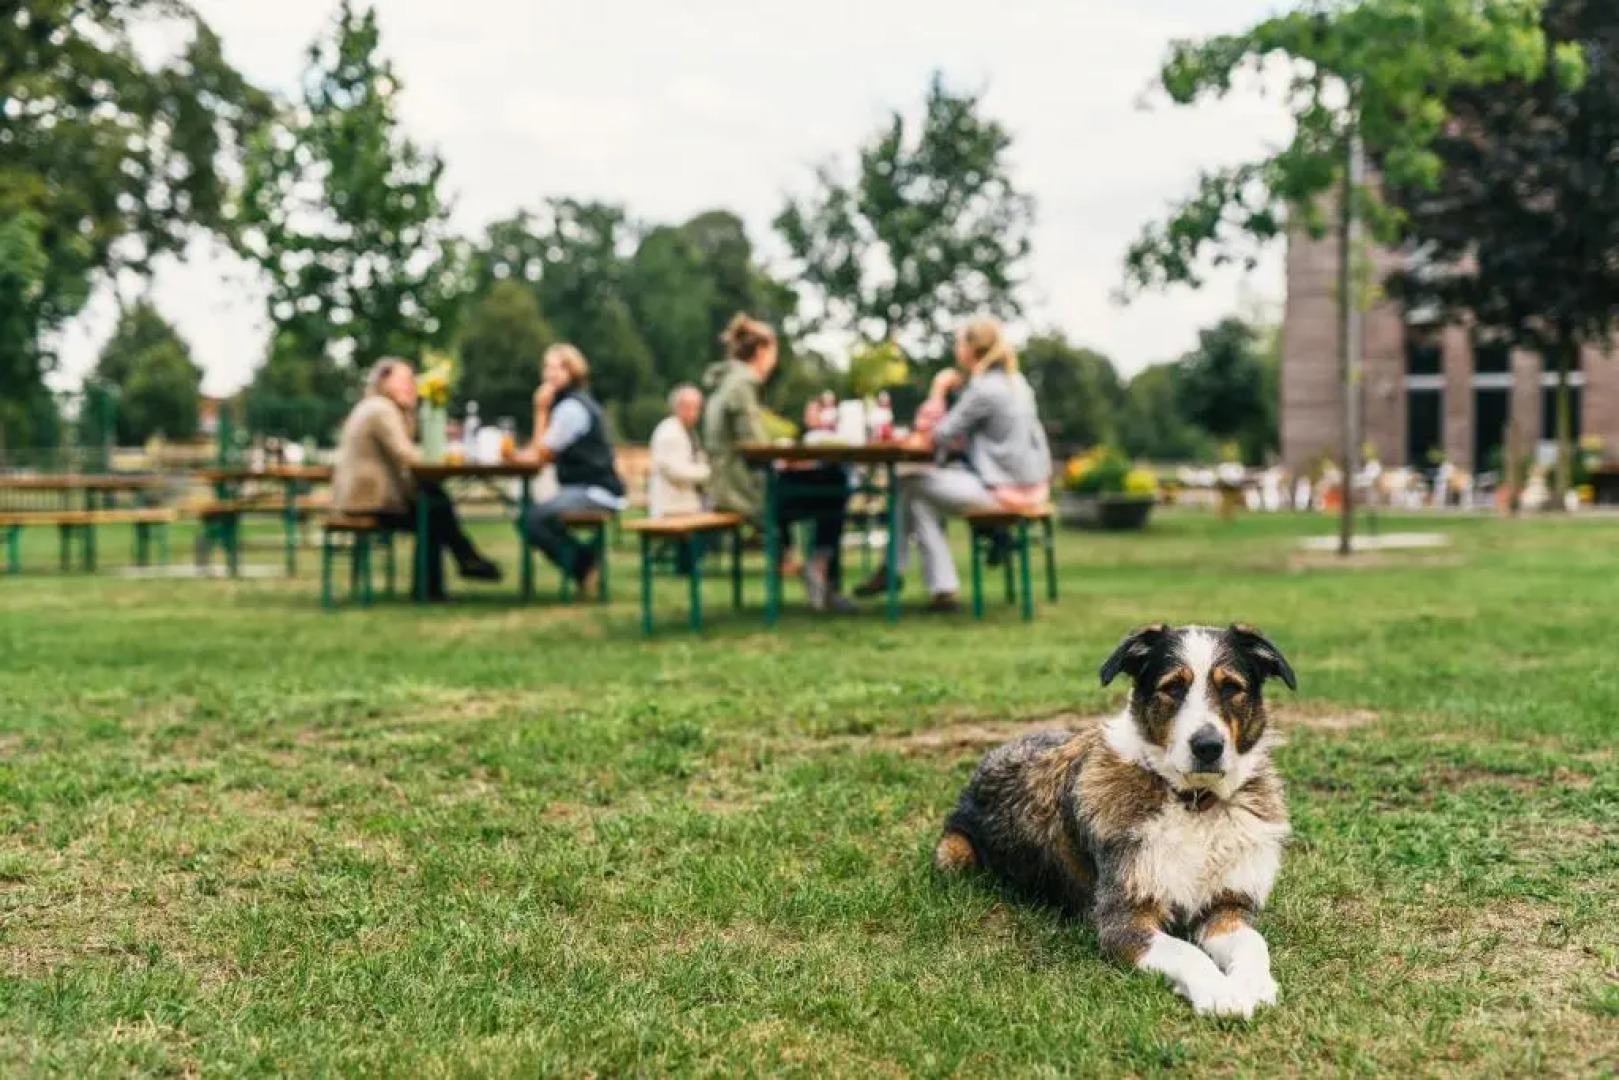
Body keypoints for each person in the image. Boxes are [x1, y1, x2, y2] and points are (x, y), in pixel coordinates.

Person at [856, 317, 1052, 613]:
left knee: (907, 484)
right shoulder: (1016, 383)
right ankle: (942, 593)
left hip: (1002, 489)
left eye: (959, 342)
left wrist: (937, 389)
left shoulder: (984, 388)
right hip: (1031, 485)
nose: (956, 349)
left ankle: (893, 570)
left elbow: (939, 435)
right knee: (920, 502)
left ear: (972, 349)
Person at [704, 313, 855, 614]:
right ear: (761, 351)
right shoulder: (743, 384)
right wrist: (784, 458)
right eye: (773, 353)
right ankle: (821, 572)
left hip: (729, 483)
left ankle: (810, 567)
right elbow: (755, 447)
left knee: (824, 481)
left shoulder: (726, 383)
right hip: (745, 491)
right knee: (835, 481)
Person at [331, 358, 501, 601]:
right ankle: (454, 569)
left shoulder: (374, 407)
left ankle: (461, 562)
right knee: (433, 511)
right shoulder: (381, 409)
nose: (412, 387)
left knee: (434, 501)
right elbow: (407, 455)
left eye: (413, 381)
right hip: (367, 502)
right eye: (405, 381)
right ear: (384, 381)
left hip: (359, 498)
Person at [513, 344, 627, 593]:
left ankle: (584, 565)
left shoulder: (571, 408)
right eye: (548, 367)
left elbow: (541, 455)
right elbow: (539, 450)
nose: (551, 373)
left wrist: (540, 409)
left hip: (595, 490)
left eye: (560, 367)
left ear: (573, 371)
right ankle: (585, 562)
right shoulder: (571, 403)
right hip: (582, 487)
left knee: (532, 519)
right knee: (530, 515)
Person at [648, 385, 709, 518]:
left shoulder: (688, 432)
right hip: (672, 508)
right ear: (677, 407)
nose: (693, 413)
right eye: (688, 407)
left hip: (686, 505)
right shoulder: (669, 432)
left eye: (697, 408)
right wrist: (708, 472)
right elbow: (676, 471)